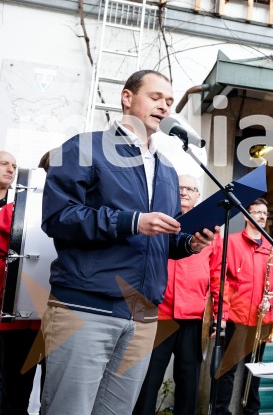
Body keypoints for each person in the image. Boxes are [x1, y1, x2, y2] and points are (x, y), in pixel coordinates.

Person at [40, 69, 215, 415]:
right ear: (127, 97)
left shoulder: (166, 169)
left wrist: (187, 244)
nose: (164, 106)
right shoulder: (82, 146)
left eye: (169, 100)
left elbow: (159, 239)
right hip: (87, 306)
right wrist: (132, 221)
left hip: (143, 316)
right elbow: (57, 217)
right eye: (155, 97)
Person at [133, 175, 221, 415]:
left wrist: (218, 315)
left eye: (191, 188)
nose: (185, 192)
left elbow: (217, 275)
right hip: (157, 314)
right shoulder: (156, 221)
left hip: (193, 317)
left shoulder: (211, 230)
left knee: (188, 383)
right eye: (180, 188)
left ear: (198, 196)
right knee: (148, 381)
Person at [214, 197, 273, 415]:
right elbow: (221, 279)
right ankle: (220, 411)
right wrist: (223, 313)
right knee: (227, 370)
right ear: (246, 216)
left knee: (256, 370)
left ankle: (251, 411)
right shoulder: (231, 241)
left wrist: (271, 299)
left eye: (265, 213)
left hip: (261, 318)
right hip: (236, 316)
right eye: (257, 212)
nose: (262, 216)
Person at [0, 150, 41, 415]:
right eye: (4, 163)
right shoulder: (14, 212)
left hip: (28, 313)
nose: (11, 169)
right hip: (10, 309)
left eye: (14, 166)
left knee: (19, 384)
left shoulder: (23, 209)